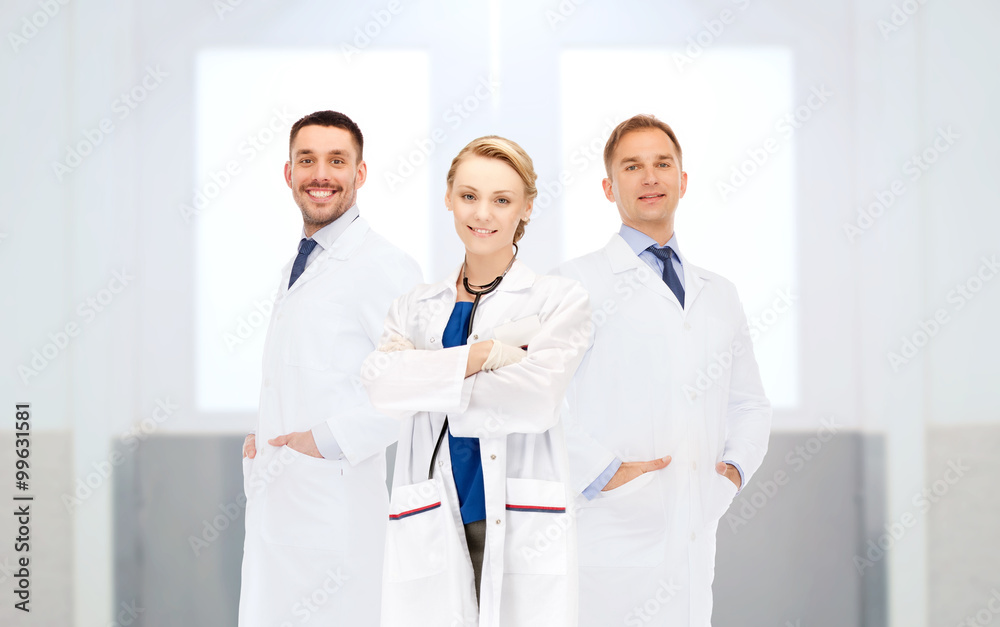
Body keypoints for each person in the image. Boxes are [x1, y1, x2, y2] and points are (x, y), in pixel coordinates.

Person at [361, 135, 592, 627]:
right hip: (432, 509)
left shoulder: (557, 300)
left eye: (502, 200)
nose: (482, 213)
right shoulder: (414, 306)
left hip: (516, 512)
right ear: (448, 198)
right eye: (468, 196)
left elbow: (536, 399)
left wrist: (426, 377)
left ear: (526, 208)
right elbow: (382, 387)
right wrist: (485, 355)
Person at [552, 114, 772, 626]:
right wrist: (604, 473)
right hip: (611, 535)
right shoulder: (575, 283)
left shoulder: (719, 294)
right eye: (633, 166)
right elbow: (536, 400)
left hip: (694, 532)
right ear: (609, 187)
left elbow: (750, 403)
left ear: (683, 181)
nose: (650, 177)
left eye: (662, 164)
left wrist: (733, 471)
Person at [238, 110, 422, 627]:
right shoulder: (302, 261)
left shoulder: (383, 266)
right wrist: (265, 438)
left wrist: (324, 440)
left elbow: (416, 388)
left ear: (360, 174)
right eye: (307, 160)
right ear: (289, 173)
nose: (321, 174)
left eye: (336, 161)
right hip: (282, 502)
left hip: (332, 511)